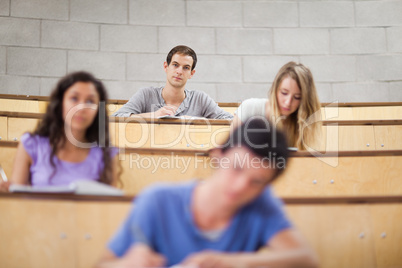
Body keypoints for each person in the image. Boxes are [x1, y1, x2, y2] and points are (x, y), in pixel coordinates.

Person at [96, 118, 318, 268]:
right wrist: (125, 265)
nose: (241, 186)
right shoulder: (157, 200)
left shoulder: (261, 204)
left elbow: (307, 260)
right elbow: (103, 263)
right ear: (218, 155)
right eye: (237, 168)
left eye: (257, 181)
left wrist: (234, 262)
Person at [0, 71, 119, 191]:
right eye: (74, 98)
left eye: (90, 101)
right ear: (60, 103)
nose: (81, 107)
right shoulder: (31, 145)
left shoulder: (106, 154)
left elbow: (109, 207)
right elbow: (16, 202)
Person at [112, 45, 233, 119]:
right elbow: (116, 118)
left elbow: (230, 119)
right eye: (175, 65)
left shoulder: (200, 98)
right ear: (166, 67)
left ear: (192, 73)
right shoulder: (146, 94)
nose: (179, 71)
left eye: (186, 67)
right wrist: (153, 115)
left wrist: (195, 120)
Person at [231, 62, 321, 150]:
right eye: (284, 93)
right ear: (275, 89)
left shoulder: (302, 123)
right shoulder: (250, 108)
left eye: (297, 97)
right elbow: (231, 152)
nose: (288, 102)